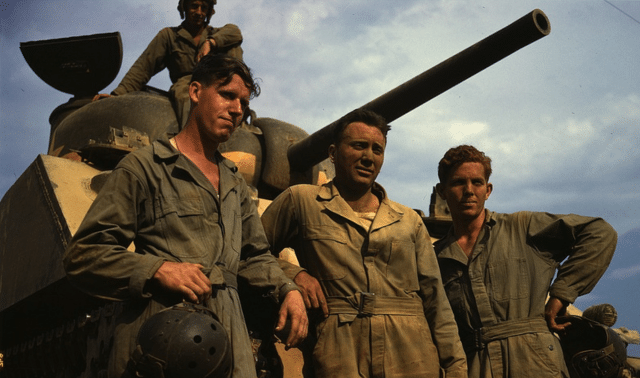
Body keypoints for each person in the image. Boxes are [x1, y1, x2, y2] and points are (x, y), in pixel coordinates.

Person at [63, 54, 307, 378]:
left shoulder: (234, 183)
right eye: (227, 95)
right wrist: (157, 269)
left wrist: (287, 289)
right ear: (195, 92)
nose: (237, 110)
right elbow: (83, 255)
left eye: (244, 103)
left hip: (229, 339)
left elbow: (255, 256)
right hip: (164, 334)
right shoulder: (145, 167)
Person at [260, 109, 468, 378]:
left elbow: (436, 302)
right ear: (333, 153)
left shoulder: (408, 220)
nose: (368, 157)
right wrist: (293, 276)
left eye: (377, 150)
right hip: (340, 353)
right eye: (358, 146)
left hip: (412, 356)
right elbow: (250, 252)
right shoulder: (302, 202)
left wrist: (455, 368)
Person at [434, 144, 618, 378]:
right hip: (476, 363)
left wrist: (561, 295)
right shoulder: (438, 257)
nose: (469, 190)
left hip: (535, 360)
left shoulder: (521, 227)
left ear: (488, 190)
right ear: (442, 191)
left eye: (477, 182)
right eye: (459, 182)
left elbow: (600, 232)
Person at [97, 0, 243, 128]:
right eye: (194, 6)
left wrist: (211, 42)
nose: (199, 12)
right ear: (184, 7)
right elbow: (143, 68)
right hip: (186, 83)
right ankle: (193, 143)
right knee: (188, 95)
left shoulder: (216, 34)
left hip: (216, 83)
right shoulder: (169, 36)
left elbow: (235, 32)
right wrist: (117, 95)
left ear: (209, 12)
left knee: (234, 49)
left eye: (203, 8)